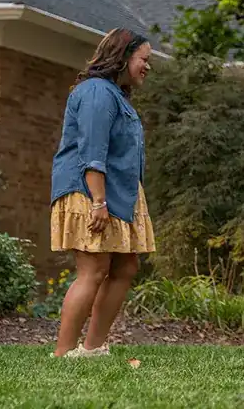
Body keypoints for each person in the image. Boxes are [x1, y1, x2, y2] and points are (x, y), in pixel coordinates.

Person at [48, 28, 155, 358]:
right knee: (93, 271)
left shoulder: (115, 95)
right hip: (90, 191)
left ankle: (92, 348)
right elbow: (92, 151)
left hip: (117, 193)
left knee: (125, 268)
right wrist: (98, 202)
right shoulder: (96, 93)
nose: (148, 67)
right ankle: (63, 353)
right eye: (144, 59)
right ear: (123, 57)